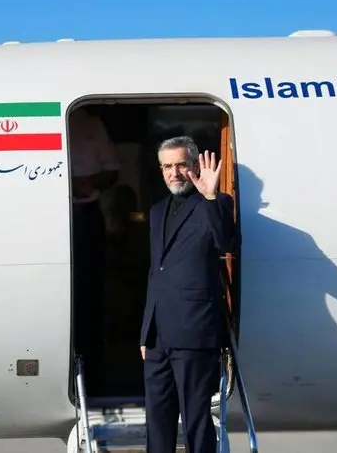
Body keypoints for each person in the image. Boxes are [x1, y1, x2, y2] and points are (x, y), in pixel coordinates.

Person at [139, 136, 235, 453]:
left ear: (194, 165)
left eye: (181, 164)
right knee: (157, 421)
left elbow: (227, 243)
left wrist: (210, 197)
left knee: (195, 419)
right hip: (158, 336)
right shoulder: (157, 211)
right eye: (167, 166)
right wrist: (145, 331)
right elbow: (157, 272)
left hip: (194, 330)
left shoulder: (214, 203)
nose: (174, 172)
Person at [68, 107, 119, 389]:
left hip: (87, 215)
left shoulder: (94, 124)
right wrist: (67, 183)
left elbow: (112, 170)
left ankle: (93, 372)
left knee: (91, 292)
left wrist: (88, 183)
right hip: (54, 215)